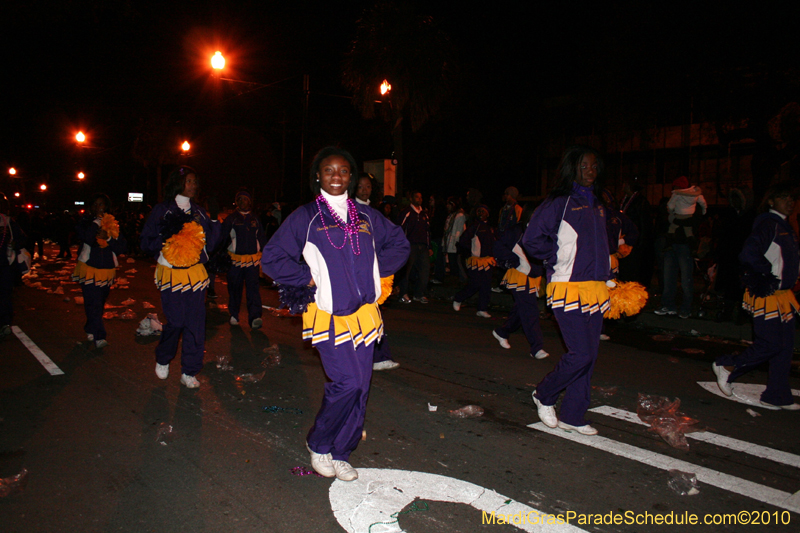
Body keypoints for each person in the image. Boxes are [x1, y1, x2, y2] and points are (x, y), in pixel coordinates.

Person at [261, 146, 409, 481]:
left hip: (365, 314)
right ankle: (319, 441)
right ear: (318, 176)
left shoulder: (367, 215)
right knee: (347, 383)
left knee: (362, 386)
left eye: (343, 170)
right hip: (327, 313)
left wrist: (375, 270)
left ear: (352, 177)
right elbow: (271, 258)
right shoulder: (306, 216)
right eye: (329, 170)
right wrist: (307, 277)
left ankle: (342, 451)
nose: (337, 176)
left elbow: (400, 244)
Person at [523, 146, 611, 436]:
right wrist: (555, 257)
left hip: (595, 288)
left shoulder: (598, 203)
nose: (590, 171)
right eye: (584, 166)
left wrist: (608, 273)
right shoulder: (560, 201)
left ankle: (574, 414)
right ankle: (544, 394)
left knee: (591, 355)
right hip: (566, 286)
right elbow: (532, 238)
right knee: (581, 353)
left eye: (594, 166)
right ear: (572, 168)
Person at [713, 182, 800, 410]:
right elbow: (748, 253)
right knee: (770, 343)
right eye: (783, 197)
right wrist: (765, 275)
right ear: (771, 201)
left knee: (785, 347)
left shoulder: (786, 226)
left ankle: (777, 396)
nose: (789, 202)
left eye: (791, 198)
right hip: (768, 293)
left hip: (784, 295)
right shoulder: (769, 224)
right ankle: (727, 365)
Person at [140, 166, 220, 389]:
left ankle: (189, 371)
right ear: (178, 182)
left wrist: (214, 221)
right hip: (171, 274)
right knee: (175, 321)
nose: (193, 185)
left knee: (195, 324)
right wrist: (169, 240)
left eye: (195, 182)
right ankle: (164, 357)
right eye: (189, 181)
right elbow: (146, 242)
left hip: (195, 274)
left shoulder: (200, 212)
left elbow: (211, 245)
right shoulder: (162, 210)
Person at [354, 173, 400, 372]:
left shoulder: (373, 213)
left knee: (372, 313)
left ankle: (379, 356)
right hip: (355, 271)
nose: (365, 190)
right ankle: (369, 357)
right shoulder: (350, 210)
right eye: (361, 187)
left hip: (372, 270)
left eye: (368, 187)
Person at [492, 206, 549, 359]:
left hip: (534, 277)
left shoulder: (543, 230)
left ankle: (502, 332)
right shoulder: (515, 231)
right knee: (530, 311)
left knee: (521, 309)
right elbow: (498, 247)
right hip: (519, 276)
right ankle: (536, 348)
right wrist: (515, 262)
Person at [72, 194, 127, 348]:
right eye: (95, 205)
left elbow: (122, 247)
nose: (98, 208)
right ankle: (99, 336)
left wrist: (108, 238)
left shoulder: (113, 225)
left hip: (107, 270)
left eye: (101, 205)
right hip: (89, 268)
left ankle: (90, 327)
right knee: (93, 303)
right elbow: (86, 237)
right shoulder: (86, 222)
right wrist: (96, 223)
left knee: (99, 303)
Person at [655, 176, 707, 318]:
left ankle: (685, 307)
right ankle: (669, 305)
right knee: (669, 277)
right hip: (672, 243)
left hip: (683, 244)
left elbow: (695, 221)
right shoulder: (679, 200)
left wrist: (675, 219)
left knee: (685, 278)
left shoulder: (693, 205)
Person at [221, 189, 267, 328]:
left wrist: (268, 255)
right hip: (235, 261)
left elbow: (262, 238)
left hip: (252, 261)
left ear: (250, 202)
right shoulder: (231, 218)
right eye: (240, 199)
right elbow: (222, 238)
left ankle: (255, 317)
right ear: (237, 202)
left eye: (245, 199)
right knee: (235, 288)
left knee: (253, 289)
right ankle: (234, 315)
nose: (243, 202)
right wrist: (221, 255)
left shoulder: (255, 219)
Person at [453, 204, 497, 317]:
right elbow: (463, 241)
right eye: (478, 211)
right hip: (476, 261)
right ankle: (458, 298)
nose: (480, 213)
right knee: (475, 284)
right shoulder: (474, 227)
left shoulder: (491, 228)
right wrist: (472, 249)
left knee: (486, 286)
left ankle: (482, 309)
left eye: (483, 211)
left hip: (488, 261)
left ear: (487, 213)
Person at [397, 191, 431, 304]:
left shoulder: (424, 214)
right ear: (411, 198)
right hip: (410, 246)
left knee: (424, 270)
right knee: (406, 270)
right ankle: (403, 293)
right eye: (417, 197)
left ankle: (419, 294)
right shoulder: (406, 213)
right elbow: (399, 228)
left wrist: (428, 246)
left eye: (421, 197)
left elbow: (427, 232)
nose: (419, 199)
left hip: (422, 247)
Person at [0, 193, 26, 339]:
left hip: (5, 265)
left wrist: (16, 243)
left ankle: (5, 323)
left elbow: (22, 238)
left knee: (5, 295)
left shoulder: (8, 222)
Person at [439, 197, 467, 283]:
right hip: (450, 245)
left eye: (449, 204)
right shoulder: (451, 216)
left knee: (456, 265)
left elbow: (459, 231)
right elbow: (447, 231)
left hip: (454, 245)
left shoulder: (460, 216)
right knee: (452, 265)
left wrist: (456, 244)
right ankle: (455, 281)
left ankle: (461, 281)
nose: (447, 206)